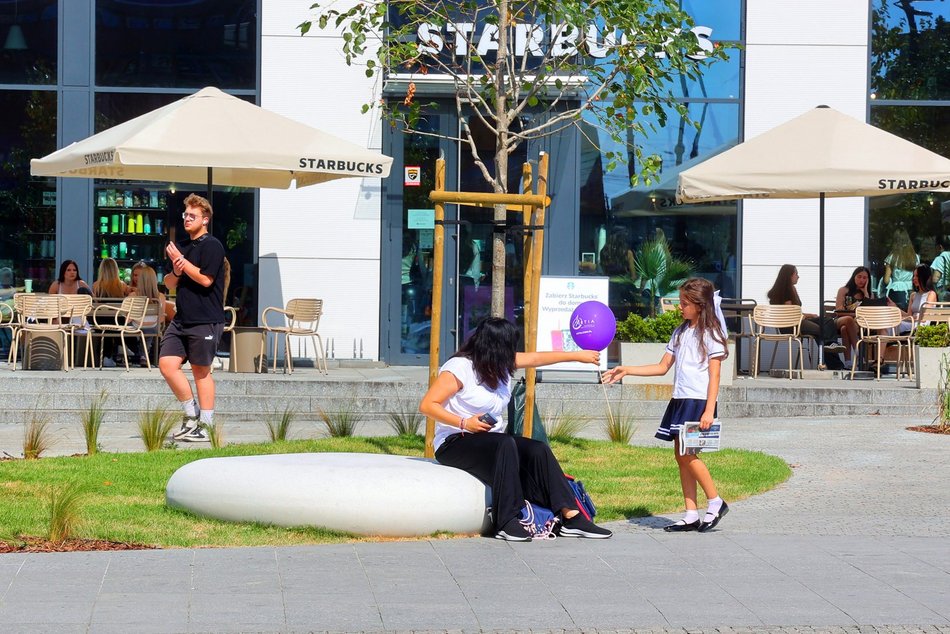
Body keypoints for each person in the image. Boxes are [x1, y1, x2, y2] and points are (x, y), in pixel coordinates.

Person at [418, 317, 613, 542]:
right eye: (510, 346)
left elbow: (537, 358)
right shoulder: (460, 368)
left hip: (491, 442)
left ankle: (572, 517)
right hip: (454, 442)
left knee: (537, 449)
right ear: (495, 347)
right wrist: (465, 423)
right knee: (505, 443)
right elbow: (427, 405)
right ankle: (506, 522)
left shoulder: (500, 364)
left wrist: (579, 356)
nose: (513, 353)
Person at [602, 277, 729, 533]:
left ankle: (715, 501)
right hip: (680, 400)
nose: (679, 307)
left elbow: (715, 375)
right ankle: (691, 513)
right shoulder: (680, 332)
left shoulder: (711, 334)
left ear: (700, 305)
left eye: (684, 303)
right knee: (680, 457)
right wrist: (627, 370)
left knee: (688, 455)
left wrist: (708, 409)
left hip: (698, 401)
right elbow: (662, 367)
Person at [161, 193, 226, 443]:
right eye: (185, 215)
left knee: (201, 371)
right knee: (167, 365)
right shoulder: (185, 248)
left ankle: (207, 425)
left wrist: (181, 261)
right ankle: (191, 414)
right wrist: (176, 268)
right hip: (181, 319)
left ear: (205, 219)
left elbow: (206, 279)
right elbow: (168, 284)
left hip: (205, 319)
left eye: (193, 215)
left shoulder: (212, 246)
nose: (187, 218)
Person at [766, 264, 842, 368]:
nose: (798, 276)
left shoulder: (792, 289)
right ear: (789, 276)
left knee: (828, 321)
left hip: (799, 320)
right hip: (790, 325)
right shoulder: (784, 292)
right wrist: (807, 316)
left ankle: (832, 347)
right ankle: (833, 361)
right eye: (796, 273)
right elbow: (790, 313)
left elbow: (796, 312)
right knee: (820, 329)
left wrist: (808, 315)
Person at [92, 257, 129, 366]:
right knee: (117, 321)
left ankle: (105, 357)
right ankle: (120, 348)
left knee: (105, 328)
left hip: (100, 321)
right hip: (118, 321)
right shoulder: (122, 285)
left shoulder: (96, 286)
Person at [834, 266, 873, 366]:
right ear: (854, 277)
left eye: (865, 278)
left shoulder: (869, 294)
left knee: (844, 329)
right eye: (859, 277)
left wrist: (865, 293)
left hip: (858, 324)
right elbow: (839, 311)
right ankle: (858, 352)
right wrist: (854, 314)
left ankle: (848, 363)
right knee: (847, 320)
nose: (861, 280)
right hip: (840, 320)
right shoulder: (843, 290)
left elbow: (868, 313)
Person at [131, 265, 168, 366]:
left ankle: (137, 354)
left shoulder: (133, 296)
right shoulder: (161, 296)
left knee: (142, 327)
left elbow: (129, 317)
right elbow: (161, 318)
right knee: (151, 328)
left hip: (137, 326)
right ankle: (144, 356)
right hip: (154, 327)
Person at [881, 228, 919, 310]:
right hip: (910, 290)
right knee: (909, 315)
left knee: (896, 316)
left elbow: (886, 280)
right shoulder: (915, 257)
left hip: (896, 289)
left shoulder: (892, 257)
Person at [898, 264, 938, 334]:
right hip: (912, 324)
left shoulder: (931, 294)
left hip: (922, 326)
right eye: (914, 276)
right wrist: (895, 307)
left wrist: (910, 318)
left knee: (894, 325)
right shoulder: (913, 295)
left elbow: (924, 316)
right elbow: (909, 316)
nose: (914, 278)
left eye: (917, 276)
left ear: (924, 277)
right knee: (888, 326)